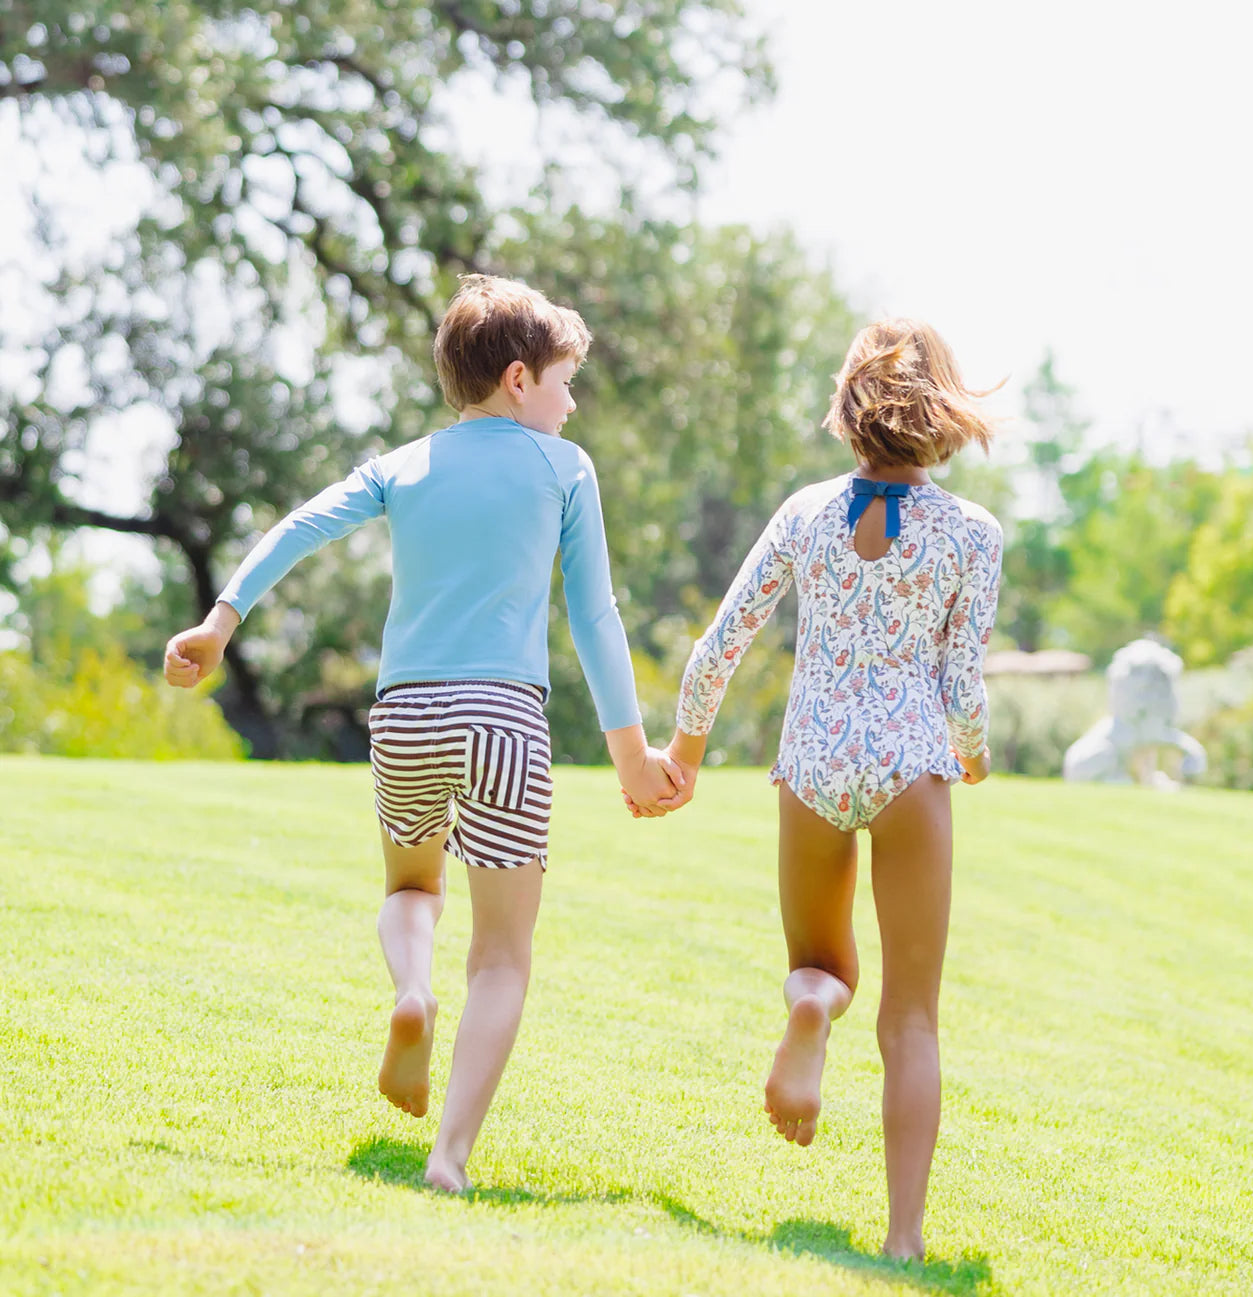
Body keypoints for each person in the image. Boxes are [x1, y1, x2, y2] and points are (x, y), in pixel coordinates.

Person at [164, 274, 684, 1193]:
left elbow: (301, 527)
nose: (570, 404)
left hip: (404, 716)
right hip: (505, 720)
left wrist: (220, 620)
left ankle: (411, 990)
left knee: (411, 885)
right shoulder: (564, 468)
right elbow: (594, 615)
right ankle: (448, 1156)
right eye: (565, 383)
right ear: (519, 379)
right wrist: (632, 756)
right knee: (502, 954)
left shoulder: (402, 465)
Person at [652, 319, 1002, 1260]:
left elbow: (720, 645)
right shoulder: (973, 533)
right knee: (912, 1015)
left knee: (822, 965)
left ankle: (810, 1006)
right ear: (941, 411)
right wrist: (972, 756)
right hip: (911, 769)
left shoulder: (805, 512)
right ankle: (903, 1238)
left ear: (849, 411)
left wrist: (685, 751)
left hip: (811, 762)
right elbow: (963, 687)